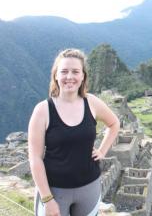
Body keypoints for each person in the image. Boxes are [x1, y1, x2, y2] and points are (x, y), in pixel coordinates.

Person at [28, 48, 120, 216]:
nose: (69, 77)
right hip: (55, 190)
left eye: (75, 72)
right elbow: (35, 158)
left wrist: (102, 150)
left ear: (83, 76)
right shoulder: (43, 110)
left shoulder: (91, 102)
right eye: (64, 71)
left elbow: (114, 123)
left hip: (89, 188)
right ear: (56, 75)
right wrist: (47, 199)